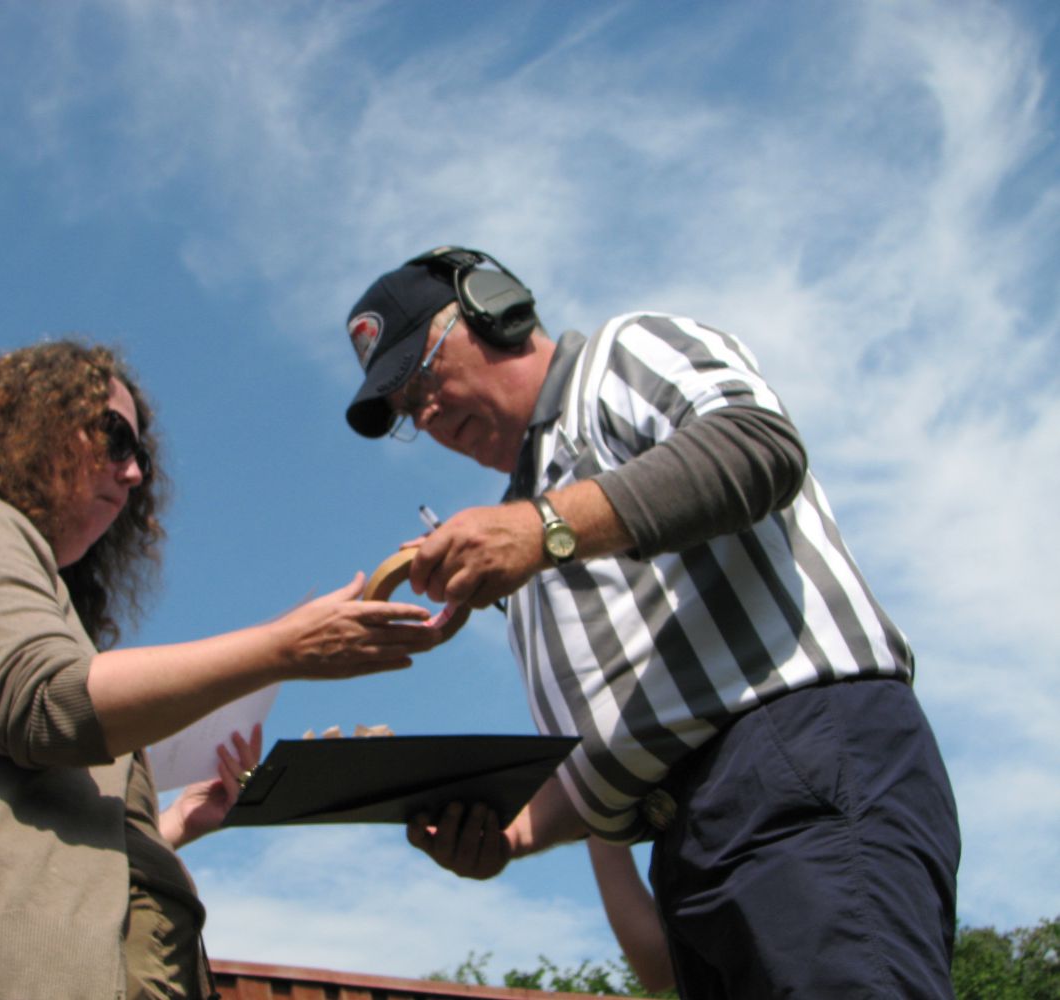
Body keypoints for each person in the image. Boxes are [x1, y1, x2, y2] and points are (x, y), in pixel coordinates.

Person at [340, 247, 959, 998]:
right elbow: (621, 742)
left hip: (793, 769)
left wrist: (542, 528)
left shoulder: (621, 356)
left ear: (492, 309)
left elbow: (756, 446)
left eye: (423, 375)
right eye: (407, 411)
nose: (425, 413)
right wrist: (510, 831)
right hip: (685, 847)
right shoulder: (523, 527)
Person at [0, 339, 441, 1000]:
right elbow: (50, 704)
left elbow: (46, 833)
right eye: (114, 437)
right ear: (31, 425)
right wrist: (282, 649)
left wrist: (175, 825)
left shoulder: (43, 602)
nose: (133, 473)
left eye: (142, 456)